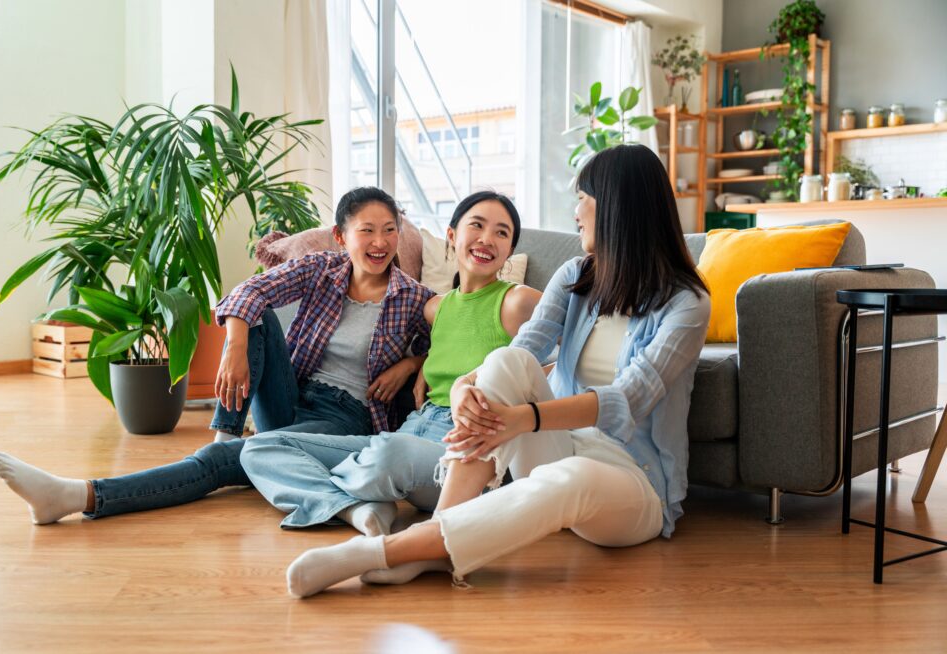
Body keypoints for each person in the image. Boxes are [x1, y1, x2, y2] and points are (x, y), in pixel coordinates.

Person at [283, 143, 712, 599]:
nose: (576, 212)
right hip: (562, 446)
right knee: (508, 361)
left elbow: (629, 399)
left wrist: (525, 419)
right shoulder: (575, 276)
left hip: (631, 481)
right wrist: (466, 385)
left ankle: (389, 550)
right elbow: (521, 352)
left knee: (570, 478)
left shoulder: (687, 302)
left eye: (584, 198)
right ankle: (440, 537)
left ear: (617, 205)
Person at [0, 187, 434, 525]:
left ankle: (78, 495)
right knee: (256, 317)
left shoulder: (413, 298)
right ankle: (226, 438)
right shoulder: (322, 269)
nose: (380, 241)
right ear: (340, 236)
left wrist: (412, 363)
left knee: (217, 465)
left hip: (344, 420)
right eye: (367, 230)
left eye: (389, 230)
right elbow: (248, 293)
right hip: (291, 397)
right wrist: (234, 347)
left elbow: (450, 345)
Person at [237, 190, 549, 538]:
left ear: (509, 249)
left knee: (386, 453)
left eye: (501, 233)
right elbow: (455, 343)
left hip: (462, 448)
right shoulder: (435, 308)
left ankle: (361, 487)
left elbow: (574, 354)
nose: (487, 239)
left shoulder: (517, 300)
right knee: (260, 447)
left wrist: (517, 397)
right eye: (477, 225)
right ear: (451, 235)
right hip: (410, 433)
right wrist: (419, 362)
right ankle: (355, 507)